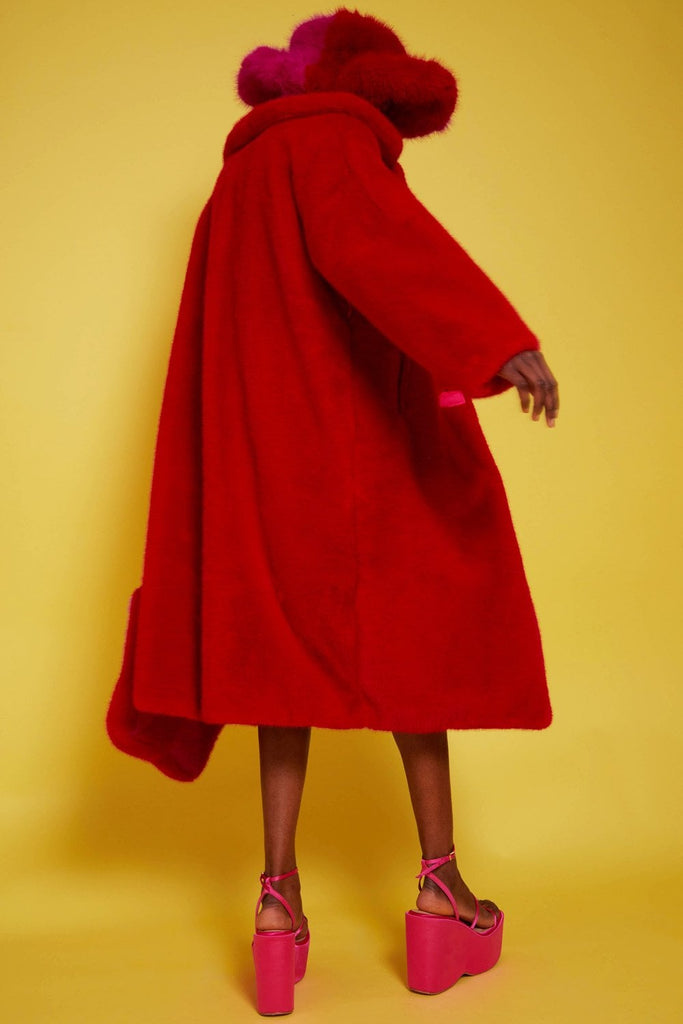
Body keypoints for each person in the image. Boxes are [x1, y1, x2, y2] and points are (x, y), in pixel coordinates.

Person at [106, 7, 558, 1014]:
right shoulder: (332, 143)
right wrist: (498, 342)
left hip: (259, 467)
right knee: (418, 655)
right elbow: (383, 250)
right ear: (366, 87)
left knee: (281, 673)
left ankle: (277, 906)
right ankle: (441, 892)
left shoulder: (238, 176)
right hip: (350, 459)